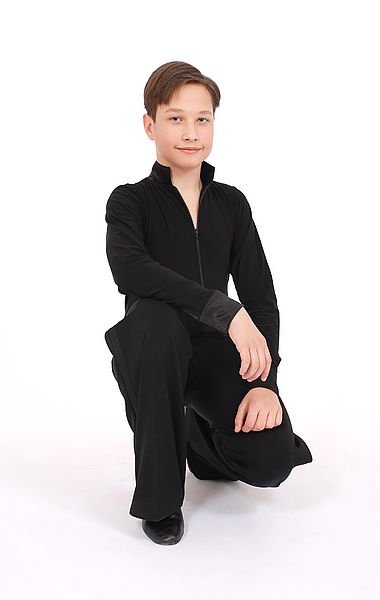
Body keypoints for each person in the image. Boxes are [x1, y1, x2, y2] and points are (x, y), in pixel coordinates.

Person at [104, 60, 313, 545]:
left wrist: (267, 384)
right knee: (156, 319)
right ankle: (160, 501)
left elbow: (260, 296)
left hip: (218, 352)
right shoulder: (129, 202)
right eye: (176, 118)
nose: (191, 132)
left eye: (203, 119)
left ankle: (199, 437)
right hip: (154, 351)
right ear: (150, 125)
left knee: (270, 461)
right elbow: (131, 270)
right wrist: (224, 309)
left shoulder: (232, 204)